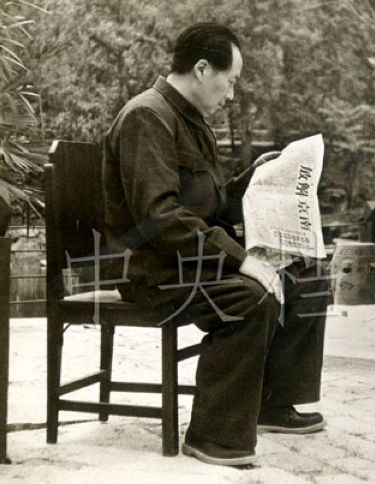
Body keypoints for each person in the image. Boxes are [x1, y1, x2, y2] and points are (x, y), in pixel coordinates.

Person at [102, 23, 328, 467]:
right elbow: (159, 219)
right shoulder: (147, 116)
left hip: (186, 259)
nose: (232, 94)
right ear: (203, 69)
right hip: (152, 270)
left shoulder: (192, 123)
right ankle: (212, 436)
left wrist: (258, 178)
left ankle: (271, 404)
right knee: (251, 294)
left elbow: (213, 207)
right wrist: (240, 259)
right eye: (231, 81)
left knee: (308, 274)